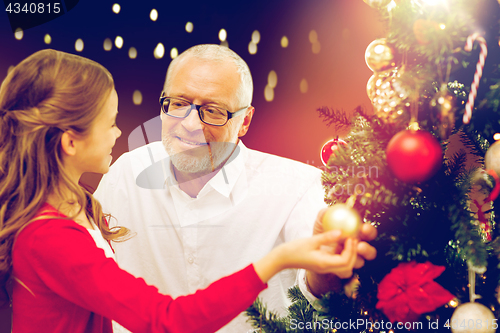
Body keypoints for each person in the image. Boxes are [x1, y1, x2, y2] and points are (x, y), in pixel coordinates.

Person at [0, 49, 367, 333]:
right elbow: (166, 320)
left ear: (245, 121)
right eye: (176, 105)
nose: (189, 125)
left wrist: (325, 257)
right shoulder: (118, 177)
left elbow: (319, 293)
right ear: (69, 142)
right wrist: (276, 260)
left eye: (213, 111)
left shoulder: (298, 186)